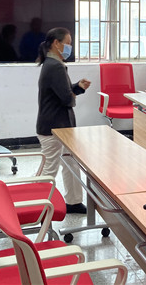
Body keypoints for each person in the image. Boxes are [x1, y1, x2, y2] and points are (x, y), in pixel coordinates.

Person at [36, 27, 90, 214]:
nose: (69, 47)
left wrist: (77, 87)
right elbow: (66, 99)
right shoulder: (55, 66)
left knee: (70, 163)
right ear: (56, 44)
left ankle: (74, 202)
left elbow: (63, 92)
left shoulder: (53, 63)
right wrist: (74, 93)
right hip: (54, 127)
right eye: (68, 43)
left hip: (60, 125)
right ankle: (38, 206)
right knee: (50, 168)